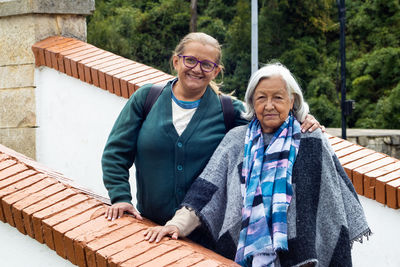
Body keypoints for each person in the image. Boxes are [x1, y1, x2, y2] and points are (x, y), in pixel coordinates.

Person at [145, 63, 370, 266]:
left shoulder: (312, 140)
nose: (269, 105)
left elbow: (332, 201)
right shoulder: (236, 140)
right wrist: (176, 225)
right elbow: (205, 193)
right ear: (252, 102)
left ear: (292, 101)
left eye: (278, 98)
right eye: (261, 98)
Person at [102, 32, 321, 225]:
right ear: (176, 61)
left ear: (216, 71)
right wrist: (121, 197)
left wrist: (301, 118)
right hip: (149, 225)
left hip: (203, 234)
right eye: (190, 60)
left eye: (207, 64)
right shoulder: (147, 99)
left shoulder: (229, 111)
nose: (197, 69)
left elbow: (269, 122)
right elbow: (115, 154)